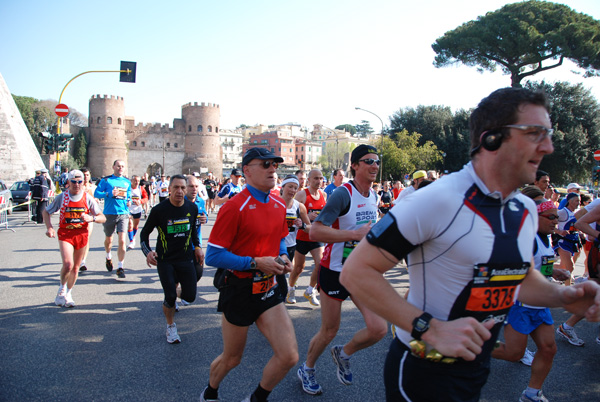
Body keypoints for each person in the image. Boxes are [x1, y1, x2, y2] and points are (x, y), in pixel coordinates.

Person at [339, 87, 600, 401]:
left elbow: (519, 277)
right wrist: (430, 328)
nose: (548, 146)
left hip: (476, 369)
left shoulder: (525, 209)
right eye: (534, 133)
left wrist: (566, 296)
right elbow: (356, 272)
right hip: (423, 373)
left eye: (548, 133)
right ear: (491, 139)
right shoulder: (436, 200)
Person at [201, 147, 297, 402]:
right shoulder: (234, 206)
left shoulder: (278, 203)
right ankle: (210, 392)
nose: (272, 169)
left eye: (274, 165)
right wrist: (256, 263)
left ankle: (257, 398)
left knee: (289, 356)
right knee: (233, 358)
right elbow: (213, 256)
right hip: (239, 290)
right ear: (247, 170)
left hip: (268, 288)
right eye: (265, 165)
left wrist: (283, 255)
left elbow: (279, 240)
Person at [297, 144, 385, 396]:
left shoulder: (374, 196)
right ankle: (308, 368)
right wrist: (353, 234)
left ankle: (343, 353)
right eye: (368, 161)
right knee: (329, 330)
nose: (374, 166)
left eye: (376, 161)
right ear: (355, 166)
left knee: (378, 329)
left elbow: (368, 232)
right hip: (334, 271)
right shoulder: (342, 194)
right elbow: (315, 231)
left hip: (359, 272)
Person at [492, 187, 570, 402]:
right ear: (536, 217)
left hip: (539, 304)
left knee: (548, 348)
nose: (556, 221)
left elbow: (539, 268)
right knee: (514, 354)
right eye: (551, 217)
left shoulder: (547, 238)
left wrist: (553, 273)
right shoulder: (527, 238)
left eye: (557, 217)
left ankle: (532, 393)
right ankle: (469, 348)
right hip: (521, 304)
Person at [140, 175, 203, 343]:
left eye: (183, 188)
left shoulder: (192, 208)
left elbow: (193, 231)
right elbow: (144, 233)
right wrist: (147, 252)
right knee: (169, 297)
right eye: (176, 187)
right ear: (168, 189)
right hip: (165, 260)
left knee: (189, 297)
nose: (180, 191)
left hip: (185, 258)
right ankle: (170, 326)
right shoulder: (159, 210)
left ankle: (177, 293)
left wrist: (197, 247)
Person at [43, 170, 106, 308]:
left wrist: (92, 218)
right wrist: (49, 228)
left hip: (81, 234)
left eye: (79, 182)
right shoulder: (62, 197)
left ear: (83, 183)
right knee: (68, 264)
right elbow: (46, 211)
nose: (76, 184)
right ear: (68, 183)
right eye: (73, 181)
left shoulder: (87, 198)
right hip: (66, 233)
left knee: (76, 268)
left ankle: (68, 293)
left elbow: (102, 217)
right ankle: (61, 289)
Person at [287, 169, 326, 306]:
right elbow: (291, 212)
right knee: (298, 268)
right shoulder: (302, 194)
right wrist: (306, 217)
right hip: (301, 237)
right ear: (309, 180)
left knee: (320, 264)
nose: (319, 181)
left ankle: (310, 290)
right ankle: (290, 288)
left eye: (320, 178)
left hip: (316, 236)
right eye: (315, 178)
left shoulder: (324, 195)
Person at [94, 160, 132, 279]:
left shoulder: (127, 182)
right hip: (109, 213)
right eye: (118, 166)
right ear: (113, 167)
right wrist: (108, 193)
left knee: (122, 240)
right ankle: (108, 256)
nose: (120, 168)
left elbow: (129, 194)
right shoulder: (106, 180)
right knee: (109, 240)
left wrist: (129, 200)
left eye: (122, 166)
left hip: (123, 213)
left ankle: (120, 267)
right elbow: (96, 193)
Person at [556, 192, 581, 286]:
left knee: (563, 266)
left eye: (579, 201)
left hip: (572, 242)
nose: (578, 203)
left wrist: (580, 233)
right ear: (570, 201)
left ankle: (542, 269)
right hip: (563, 242)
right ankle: (568, 288)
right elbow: (548, 221)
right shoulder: (563, 212)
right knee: (570, 266)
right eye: (576, 201)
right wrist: (558, 231)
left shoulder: (575, 212)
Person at [79, 167, 97, 272]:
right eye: (84, 175)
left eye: (87, 175)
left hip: (89, 216)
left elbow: (98, 199)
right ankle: (77, 257)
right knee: (78, 238)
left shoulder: (93, 188)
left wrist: (95, 200)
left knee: (86, 237)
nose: (86, 177)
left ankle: (83, 261)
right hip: (77, 216)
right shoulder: (76, 187)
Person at [127, 175, 148, 250]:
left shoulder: (140, 188)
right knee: (130, 224)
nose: (137, 182)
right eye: (135, 180)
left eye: (138, 181)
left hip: (137, 210)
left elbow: (146, 198)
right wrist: (127, 201)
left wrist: (140, 201)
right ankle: (131, 241)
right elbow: (123, 197)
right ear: (131, 181)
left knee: (135, 226)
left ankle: (133, 236)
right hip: (129, 210)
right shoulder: (128, 188)